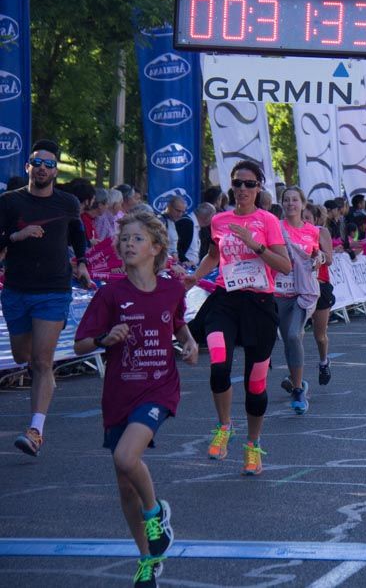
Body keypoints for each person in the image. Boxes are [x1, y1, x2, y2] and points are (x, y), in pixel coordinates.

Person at [73, 211, 198, 588]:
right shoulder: (110, 293)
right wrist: (104, 338)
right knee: (124, 480)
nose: (128, 244)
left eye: (137, 239)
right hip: (119, 392)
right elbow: (81, 343)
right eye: (124, 238)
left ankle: (156, 512)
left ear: (156, 248)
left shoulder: (172, 289)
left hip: (158, 386)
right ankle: (147, 558)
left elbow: (176, 321)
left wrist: (189, 341)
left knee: (126, 456)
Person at [184, 161, 291, 475]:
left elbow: (284, 266)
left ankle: (253, 445)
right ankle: (224, 426)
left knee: (255, 385)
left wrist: (253, 243)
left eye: (248, 184)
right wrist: (194, 276)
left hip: (259, 305)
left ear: (258, 188)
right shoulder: (219, 220)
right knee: (219, 363)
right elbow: (214, 255)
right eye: (237, 184)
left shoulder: (268, 221)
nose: (242, 189)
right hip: (225, 301)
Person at [0, 140, 91, 456]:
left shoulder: (67, 203)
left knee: (42, 360)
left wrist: (81, 262)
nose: (42, 168)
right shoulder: (9, 202)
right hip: (16, 290)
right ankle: (35, 379)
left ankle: (35, 430)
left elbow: (78, 234)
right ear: (27, 166)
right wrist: (15, 236)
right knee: (23, 355)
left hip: (53, 290)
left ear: (55, 171)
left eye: (49, 164)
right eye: (37, 162)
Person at [274, 187, 321, 414]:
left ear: (303, 204)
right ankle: (297, 381)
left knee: (293, 335)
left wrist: (318, 258)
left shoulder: (312, 231)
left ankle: (298, 390)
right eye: (286, 200)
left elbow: (316, 254)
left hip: (301, 293)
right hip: (276, 292)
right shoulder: (275, 227)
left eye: (294, 200)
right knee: (287, 340)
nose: (290, 203)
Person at [303, 203, 336, 384]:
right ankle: (295, 379)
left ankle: (324, 362)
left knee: (320, 335)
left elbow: (329, 259)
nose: (304, 221)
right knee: (295, 334)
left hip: (320, 286)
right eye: (302, 217)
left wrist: (318, 254)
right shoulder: (290, 232)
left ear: (315, 219)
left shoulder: (320, 231)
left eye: (307, 218)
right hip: (299, 288)